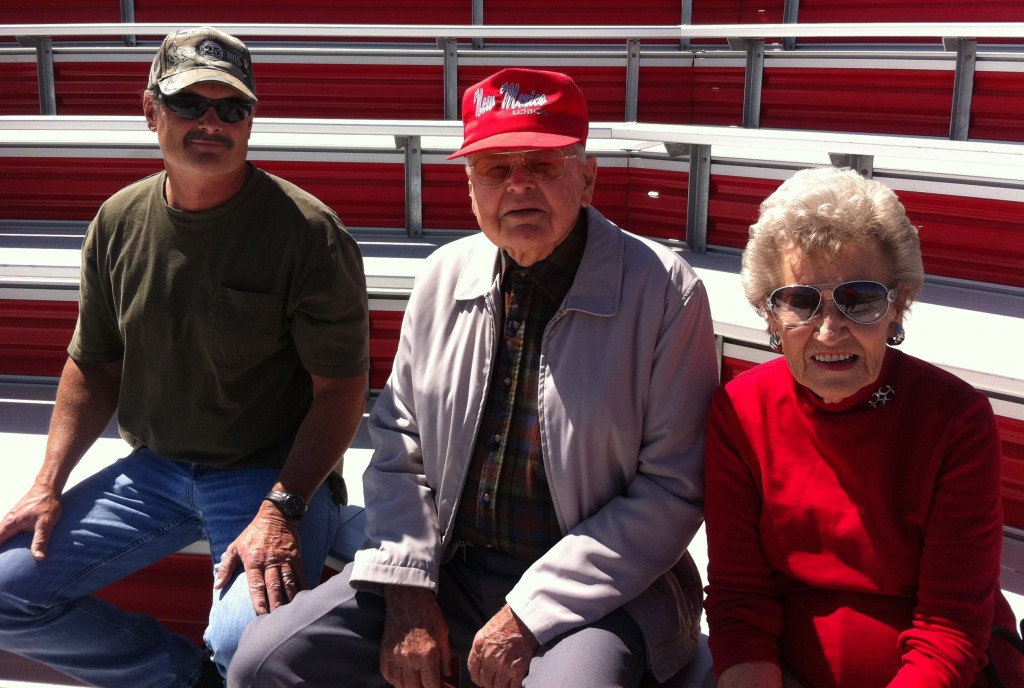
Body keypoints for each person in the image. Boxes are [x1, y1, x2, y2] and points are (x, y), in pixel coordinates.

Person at [227, 67, 718, 688]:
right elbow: (397, 442)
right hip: (451, 564)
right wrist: (408, 587)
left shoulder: (665, 291)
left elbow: (671, 490)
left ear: (587, 178)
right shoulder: (442, 274)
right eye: (493, 169)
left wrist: (527, 613)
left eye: (541, 165)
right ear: (469, 188)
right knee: (263, 663)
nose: (517, 188)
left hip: (602, 591)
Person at [0, 26, 370, 687]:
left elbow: (340, 391)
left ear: (251, 119)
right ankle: (179, 677)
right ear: (150, 112)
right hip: (154, 470)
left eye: (231, 108)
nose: (211, 122)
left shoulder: (308, 233)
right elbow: (94, 364)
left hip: (265, 478)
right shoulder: (118, 220)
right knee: (4, 589)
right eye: (188, 103)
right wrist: (46, 482)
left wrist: (282, 507)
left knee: (248, 648)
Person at [702, 166, 1023, 687]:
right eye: (800, 301)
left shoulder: (956, 420)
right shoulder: (738, 410)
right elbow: (741, 597)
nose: (830, 330)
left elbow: (950, 629)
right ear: (771, 317)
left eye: (860, 299)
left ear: (898, 308)